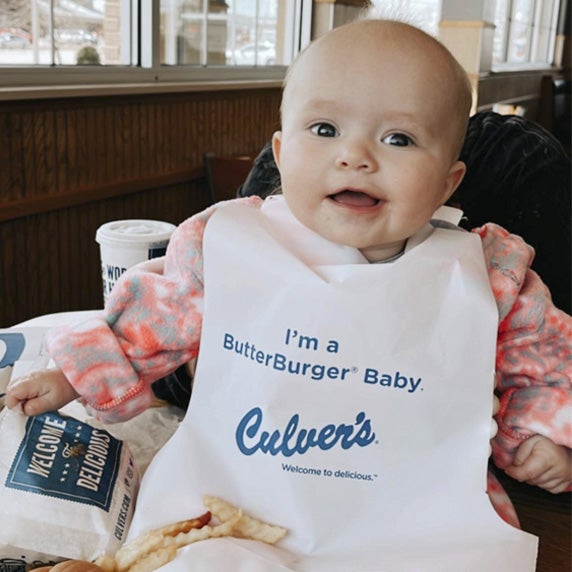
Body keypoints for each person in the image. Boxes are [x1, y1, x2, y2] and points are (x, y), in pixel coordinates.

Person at [5, 18, 571, 533]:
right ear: (279, 154)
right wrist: (74, 376)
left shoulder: (491, 276)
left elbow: (547, 361)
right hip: (252, 486)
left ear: (448, 183)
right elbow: (155, 317)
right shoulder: (228, 246)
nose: (355, 156)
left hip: (415, 499)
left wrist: (542, 435)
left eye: (397, 139)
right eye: (324, 128)